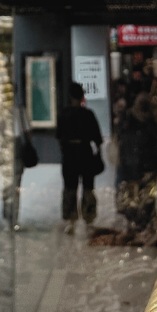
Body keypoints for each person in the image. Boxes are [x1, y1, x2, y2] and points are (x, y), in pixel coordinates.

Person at [56, 82, 103, 235]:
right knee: (88, 187)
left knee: (70, 187)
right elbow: (97, 138)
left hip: (70, 154)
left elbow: (59, 135)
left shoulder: (64, 114)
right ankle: (89, 219)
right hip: (85, 153)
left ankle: (71, 220)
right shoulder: (88, 114)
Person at [116, 92, 157, 234]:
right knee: (133, 197)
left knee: (146, 196)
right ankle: (136, 223)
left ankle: (143, 223)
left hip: (143, 164)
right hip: (134, 164)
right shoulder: (131, 117)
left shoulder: (148, 119)